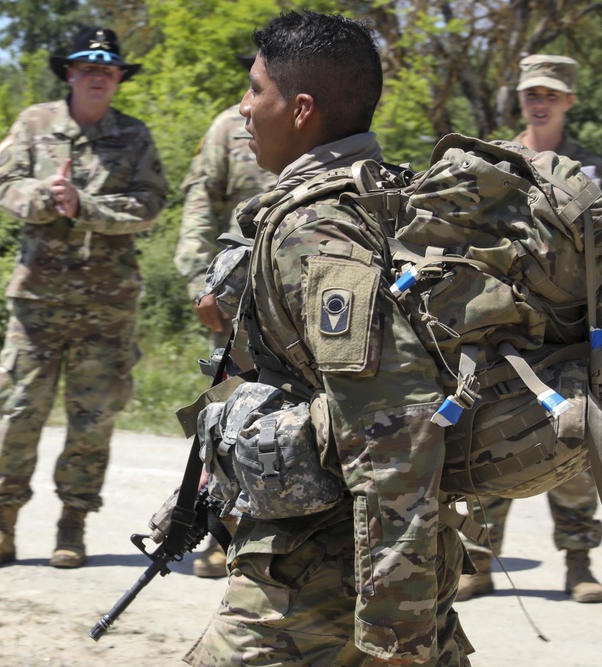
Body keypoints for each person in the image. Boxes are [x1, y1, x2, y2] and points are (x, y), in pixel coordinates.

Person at [185, 12, 471, 665]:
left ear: (302, 109)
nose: (244, 107)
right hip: (376, 558)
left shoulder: (315, 231)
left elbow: (396, 422)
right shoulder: (382, 195)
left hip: (321, 576)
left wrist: (396, 632)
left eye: (257, 90)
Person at [0, 27, 168, 571]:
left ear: (119, 77)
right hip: (38, 301)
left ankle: (72, 525)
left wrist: (88, 208)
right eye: (87, 67)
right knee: (18, 412)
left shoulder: (136, 136)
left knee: (93, 420)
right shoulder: (33, 123)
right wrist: (46, 198)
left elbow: (150, 204)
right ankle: (0, 526)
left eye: (107, 68)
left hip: (108, 307)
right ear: (69, 74)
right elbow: (2, 185)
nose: (97, 76)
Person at [456, 54, 602, 605]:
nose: (539, 101)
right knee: (487, 443)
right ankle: (477, 563)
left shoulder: (591, 170)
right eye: (531, 92)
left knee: (578, 445)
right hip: (505, 328)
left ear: (569, 99)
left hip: (571, 332)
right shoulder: (501, 160)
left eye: (550, 93)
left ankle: (578, 563)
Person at [175, 55, 276, 579]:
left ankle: (268, 533)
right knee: (226, 417)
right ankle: (220, 530)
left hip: (301, 305)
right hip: (237, 307)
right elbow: (198, 206)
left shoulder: (326, 125)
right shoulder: (228, 127)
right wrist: (200, 287)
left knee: (289, 423)